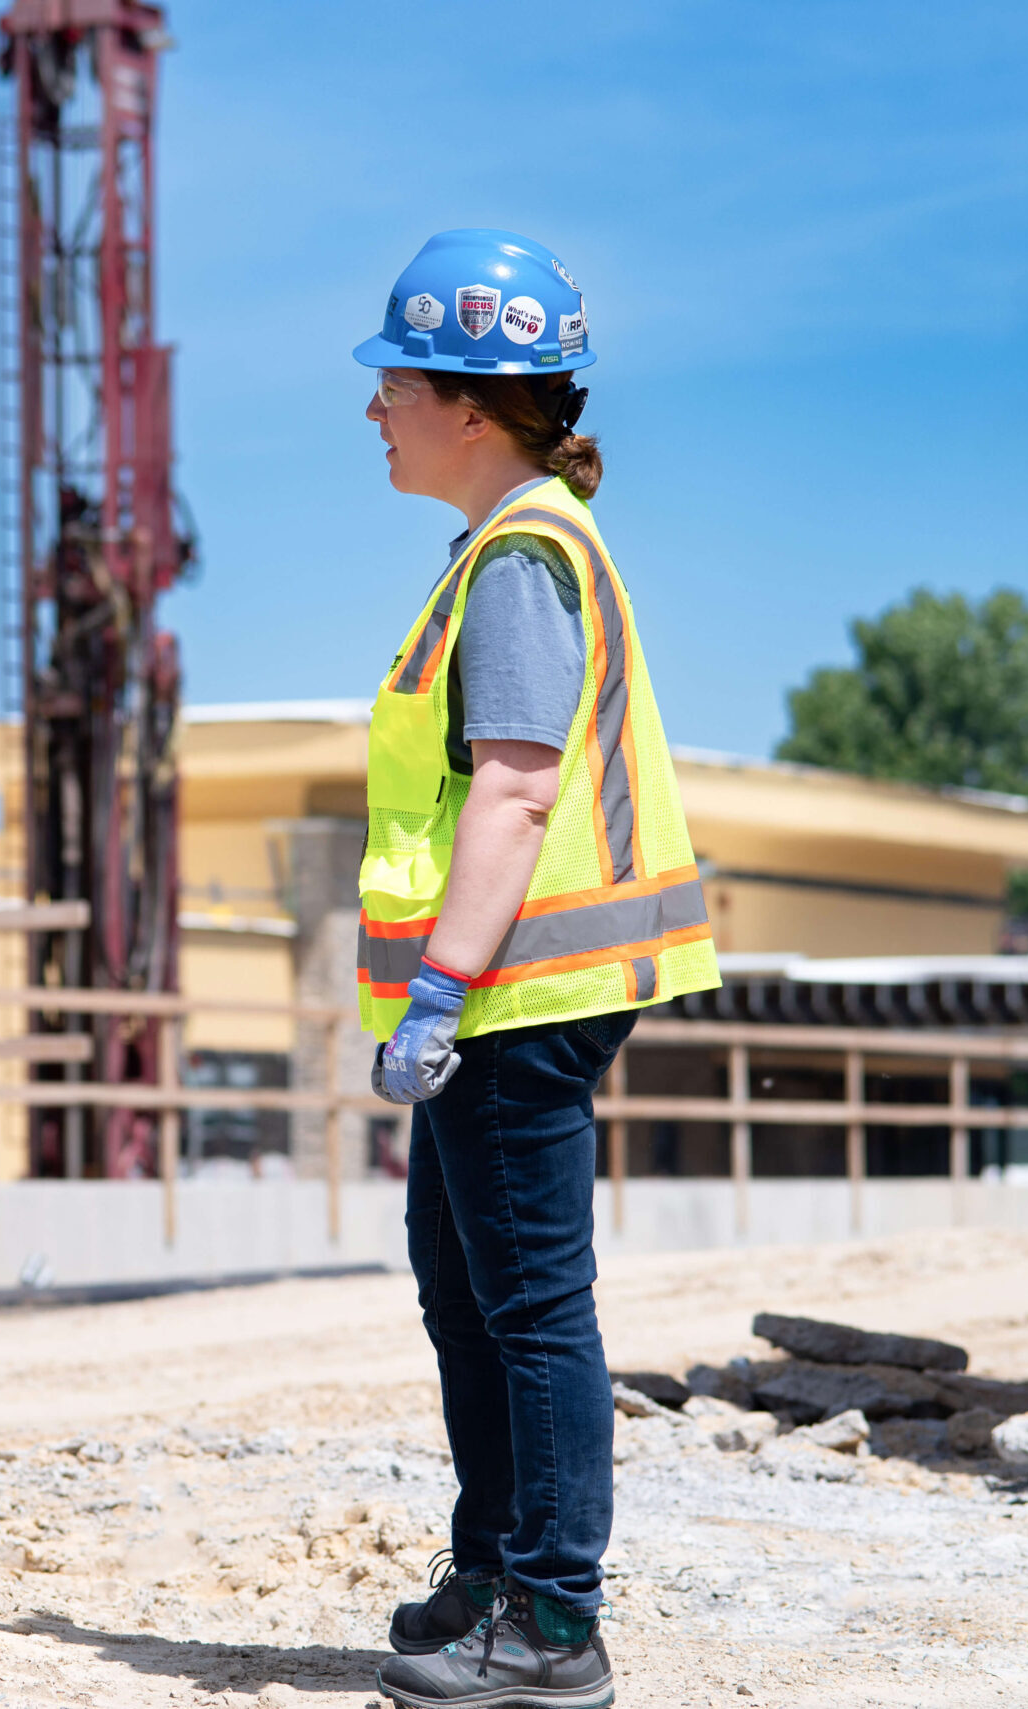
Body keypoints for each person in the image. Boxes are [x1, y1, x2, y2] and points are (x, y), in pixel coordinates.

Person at [348, 230, 720, 1709]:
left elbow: (510, 790)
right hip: (506, 997)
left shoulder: (519, 560)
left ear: (471, 404)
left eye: (394, 382)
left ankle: (555, 1621)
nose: (374, 408)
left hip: (517, 1000)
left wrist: (440, 988)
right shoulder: (511, 547)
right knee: (467, 1291)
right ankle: (499, 1567)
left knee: (527, 1303)